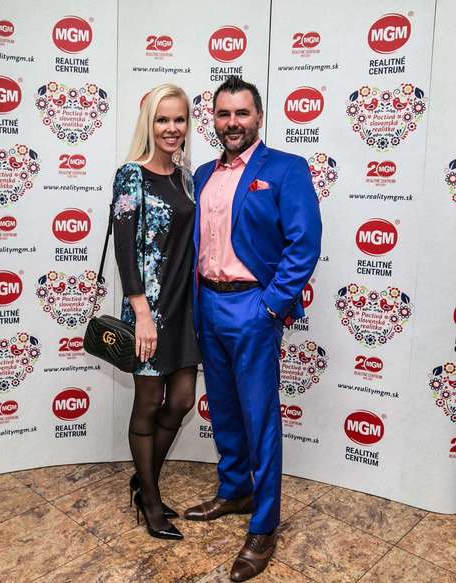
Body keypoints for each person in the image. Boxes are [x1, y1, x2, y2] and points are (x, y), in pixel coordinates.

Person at [184, 77, 322, 581]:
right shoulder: (202, 173)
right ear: (214, 120)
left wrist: (270, 307)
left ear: (259, 116)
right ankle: (235, 491)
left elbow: (304, 244)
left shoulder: (286, 169)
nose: (232, 123)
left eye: (241, 113)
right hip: (207, 304)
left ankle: (264, 525)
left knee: (259, 418)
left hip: (252, 306)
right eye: (223, 114)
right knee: (223, 409)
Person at [113, 84, 200, 540]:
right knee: (148, 403)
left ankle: (141, 479)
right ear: (149, 124)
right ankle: (149, 498)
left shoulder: (186, 178)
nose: (171, 128)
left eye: (179, 119)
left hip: (184, 309)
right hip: (148, 310)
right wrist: (141, 313)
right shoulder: (131, 175)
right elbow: (124, 249)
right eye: (162, 119)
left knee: (181, 401)